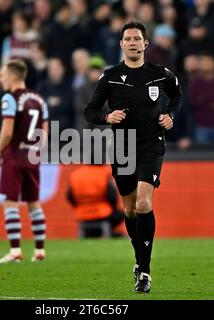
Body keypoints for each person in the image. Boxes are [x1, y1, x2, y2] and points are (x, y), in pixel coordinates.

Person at [84, 20, 182, 293]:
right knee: (128, 209)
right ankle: (139, 260)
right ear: (121, 44)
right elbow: (89, 112)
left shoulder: (161, 74)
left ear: (145, 43)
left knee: (143, 203)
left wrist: (170, 115)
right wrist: (107, 117)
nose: (133, 42)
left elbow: (177, 94)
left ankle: (146, 271)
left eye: (137, 38)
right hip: (122, 147)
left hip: (152, 143)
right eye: (128, 39)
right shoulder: (110, 76)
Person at [0, 59, 49, 263]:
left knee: (10, 201)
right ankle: (40, 250)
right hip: (32, 155)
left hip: (15, 154)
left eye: (3, 74)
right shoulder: (39, 99)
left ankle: (15, 250)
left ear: (12, 76)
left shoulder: (10, 98)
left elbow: (7, 131)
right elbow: (44, 133)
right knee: (33, 202)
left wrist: (0, 151)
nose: (1, 78)